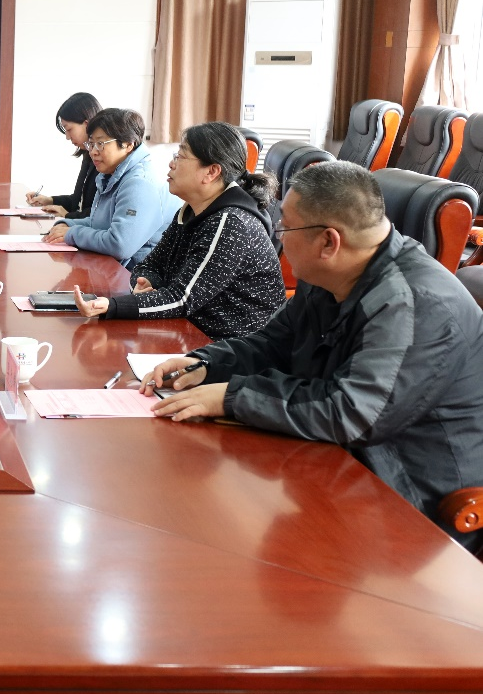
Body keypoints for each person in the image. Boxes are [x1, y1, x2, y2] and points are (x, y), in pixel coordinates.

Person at [143, 162, 483, 550]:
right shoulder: (333, 273)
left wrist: (232, 397)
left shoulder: (415, 304)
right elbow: (274, 343)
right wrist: (207, 363)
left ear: (328, 242)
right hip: (340, 461)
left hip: (410, 499)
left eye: (285, 228)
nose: (278, 239)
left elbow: (352, 412)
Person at [71, 122, 284, 340]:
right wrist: (146, 282)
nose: (171, 164)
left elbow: (182, 298)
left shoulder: (230, 224)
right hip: (190, 331)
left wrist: (113, 306)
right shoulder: (190, 210)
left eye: (180, 156)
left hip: (231, 345)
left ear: (211, 172)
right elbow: (149, 265)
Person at [42, 108, 179, 268]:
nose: (93, 152)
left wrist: (72, 233)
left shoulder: (140, 183)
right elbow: (99, 223)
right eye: (91, 144)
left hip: (137, 275)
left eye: (100, 144)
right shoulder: (110, 176)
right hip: (113, 268)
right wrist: (68, 225)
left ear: (128, 144)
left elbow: (120, 244)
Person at [25, 92, 101, 219]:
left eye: (69, 129)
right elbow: (79, 202)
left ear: (87, 124)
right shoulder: (87, 156)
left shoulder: (103, 161)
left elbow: (101, 213)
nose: (67, 137)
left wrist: (67, 215)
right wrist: (50, 200)